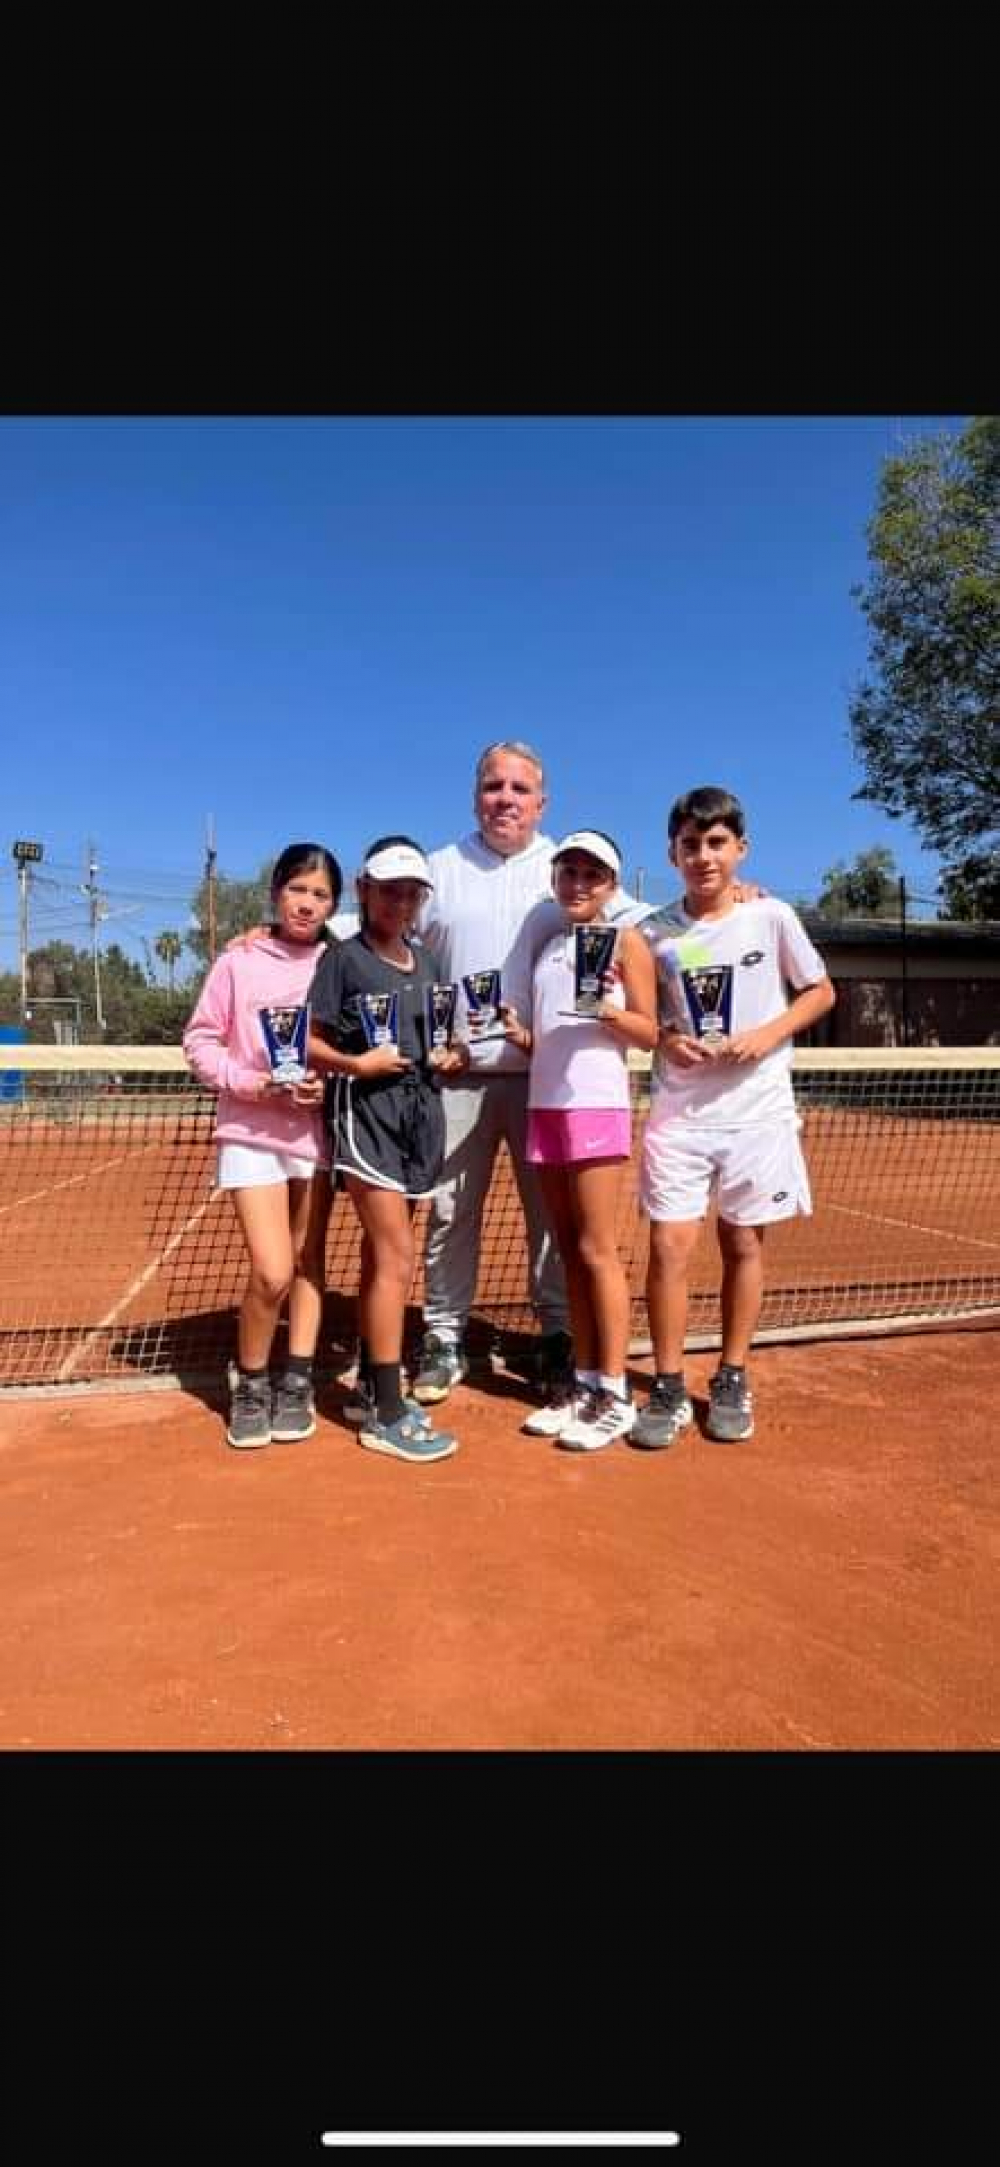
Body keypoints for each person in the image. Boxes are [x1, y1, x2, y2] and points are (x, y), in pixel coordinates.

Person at [410, 741, 649, 1407]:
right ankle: (445, 1334)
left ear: (542, 802)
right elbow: (390, 940)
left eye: (520, 789)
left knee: (553, 1222)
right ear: (475, 795)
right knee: (451, 1214)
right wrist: (267, 932)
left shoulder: (570, 871)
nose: (505, 798)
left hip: (549, 1082)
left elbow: (656, 932)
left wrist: (739, 900)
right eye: (493, 786)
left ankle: (557, 1335)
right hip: (459, 1076)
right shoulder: (438, 869)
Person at [632, 786, 835, 1449]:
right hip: (680, 1115)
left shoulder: (771, 915)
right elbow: (643, 1016)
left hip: (758, 1113)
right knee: (667, 1248)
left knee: (743, 1243)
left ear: (740, 850)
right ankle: (666, 1383)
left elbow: (820, 991)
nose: (702, 855)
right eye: (690, 844)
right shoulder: (652, 932)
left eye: (716, 842)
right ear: (672, 852)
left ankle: (732, 1373)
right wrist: (666, 1037)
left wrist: (769, 1033)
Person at [307, 837, 470, 1463]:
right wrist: (357, 1062)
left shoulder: (426, 962)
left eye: (412, 891)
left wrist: (451, 1055)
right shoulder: (342, 959)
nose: (401, 901)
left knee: (385, 1260)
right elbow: (310, 1043)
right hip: (366, 1116)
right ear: (364, 892)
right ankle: (385, 1404)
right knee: (399, 1256)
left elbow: (440, 1040)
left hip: (420, 1116)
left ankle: (367, 1392)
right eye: (389, 889)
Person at [501, 830, 658, 1448]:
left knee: (597, 1251)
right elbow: (557, 1041)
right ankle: (585, 1381)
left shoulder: (627, 941)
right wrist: (523, 1038)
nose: (579, 884)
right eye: (569, 873)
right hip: (547, 1108)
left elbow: (649, 1033)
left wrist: (610, 1011)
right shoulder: (548, 951)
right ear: (555, 880)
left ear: (611, 886)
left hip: (596, 1107)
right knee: (566, 1250)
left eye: (592, 875)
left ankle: (614, 1392)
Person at [182, 842, 343, 1450]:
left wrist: (320, 1085)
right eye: (297, 889)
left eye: (320, 893)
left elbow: (345, 1042)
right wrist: (255, 1083)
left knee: (308, 1263)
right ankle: (250, 1381)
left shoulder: (337, 962)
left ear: (334, 905)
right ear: (276, 890)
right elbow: (201, 1041)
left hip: (315, 1134)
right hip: (250, 1132)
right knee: (272, 1270)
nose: (307, 903)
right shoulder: (238, 961)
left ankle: (295, 1380)